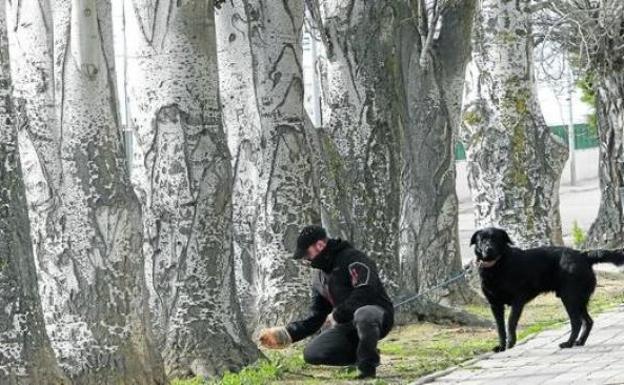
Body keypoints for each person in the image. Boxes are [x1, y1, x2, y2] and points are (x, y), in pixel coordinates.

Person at [258, 225, 394, 379]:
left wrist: (338, 315)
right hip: (347, 326)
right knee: (312, 353)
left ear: (320, 245)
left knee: (364, 313)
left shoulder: (353, 259)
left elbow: (366, 290)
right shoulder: (319, 278)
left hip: (377, 316)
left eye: (307, 253)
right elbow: (316, 316)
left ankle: (367, 368)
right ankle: (364, 351)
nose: (306, 259)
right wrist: (288, 333)